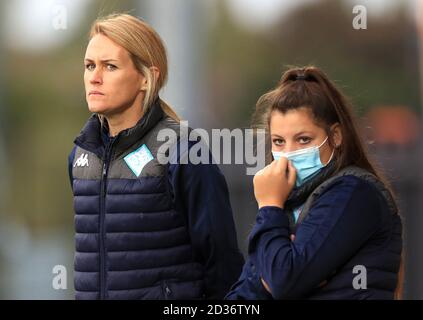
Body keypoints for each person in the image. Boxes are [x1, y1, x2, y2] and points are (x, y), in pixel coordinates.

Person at [68, 13, 243, 300]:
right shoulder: (80, 155)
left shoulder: (185, 152)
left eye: (110, 66)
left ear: (147, 79)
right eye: (89, 66)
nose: (94, 77)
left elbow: (222, 266)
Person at [226, 66, 403, 300]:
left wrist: (268, 205)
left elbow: (283, 281)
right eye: (279, 141)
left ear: (336, 136)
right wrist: (268, 274)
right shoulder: (287, 204)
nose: (288, 153)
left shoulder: (354, 192)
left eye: (303, 139)